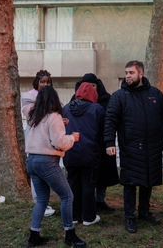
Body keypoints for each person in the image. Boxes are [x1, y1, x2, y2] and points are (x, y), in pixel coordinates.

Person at [104, 60, 163, 233]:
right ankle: (129, 217)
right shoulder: (119, 96)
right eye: (126, 73)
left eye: (131, 73)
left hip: (153, 148)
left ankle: (144, 212)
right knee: (130, 183)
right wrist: (109, 142)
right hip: (130, 148)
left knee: (147, 181)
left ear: (140, 74)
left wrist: (162, 133)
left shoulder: (155, 94)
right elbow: (110, 119)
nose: (127, 76)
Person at [22, 86, 86, 247]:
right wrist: (72, 138)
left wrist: (60, 124)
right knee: (67, 196)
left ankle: (33, 235)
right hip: (47, 162)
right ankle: (69, 234)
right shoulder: (54, 117)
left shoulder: (33, 116)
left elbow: (26, 105)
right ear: (54, 99)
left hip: (32, 161)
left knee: (42, 200)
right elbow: (59, 143)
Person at [71, 73, 119, 211]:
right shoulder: (75, 101)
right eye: (87, 85)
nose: (90, 88)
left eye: (93, 85)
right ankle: (88, 203)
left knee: (103, 174)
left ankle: (100, 200)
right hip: (84, 143)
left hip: (103, 142)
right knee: (86, 177)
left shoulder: (106, 99)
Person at [64, 82, 105, 225]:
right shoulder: (97, 109)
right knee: (88, 184)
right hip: (90, 153)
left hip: (70, 152)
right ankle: (88, 217)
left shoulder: (66, 108)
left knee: (72, 184)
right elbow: (102, 131)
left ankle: (74, 216)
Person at [21, 70, 55, 217]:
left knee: (48, 167)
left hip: (49, 137)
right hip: (35, 137)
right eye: (42, 81)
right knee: (37, 171)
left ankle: (44, 201)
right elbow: (32, 115)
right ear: (37, 82)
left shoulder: (53, 97)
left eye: (47, 82)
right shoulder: (28, 96)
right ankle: (40, 203)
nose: (45, 84)